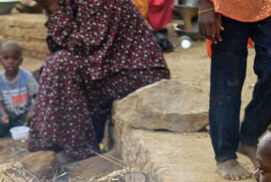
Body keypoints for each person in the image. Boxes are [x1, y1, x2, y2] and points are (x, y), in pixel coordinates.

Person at [28, 0, 169, 163]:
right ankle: (58, 147)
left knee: (61, 66)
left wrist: (53, 8)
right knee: (51, 67)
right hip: (107, 64)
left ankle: (79, 151)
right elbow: (59, 45)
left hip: (137, 71)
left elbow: (83, 47)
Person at [198, 0, 271, 180]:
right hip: (226, 7)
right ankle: (225, 155)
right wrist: (204, 5)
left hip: (270, 5)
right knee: (228, 78)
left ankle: (249, 136)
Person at [0, 40, 39, 143]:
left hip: (24, 114)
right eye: (6, 58)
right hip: (7, 113)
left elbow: (38, 96)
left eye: (14, 58)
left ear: (20, 61)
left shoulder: (27, 77)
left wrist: (32, 111)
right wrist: (4, 114)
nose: (10, 61)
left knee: (38, 122)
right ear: (0, 61)